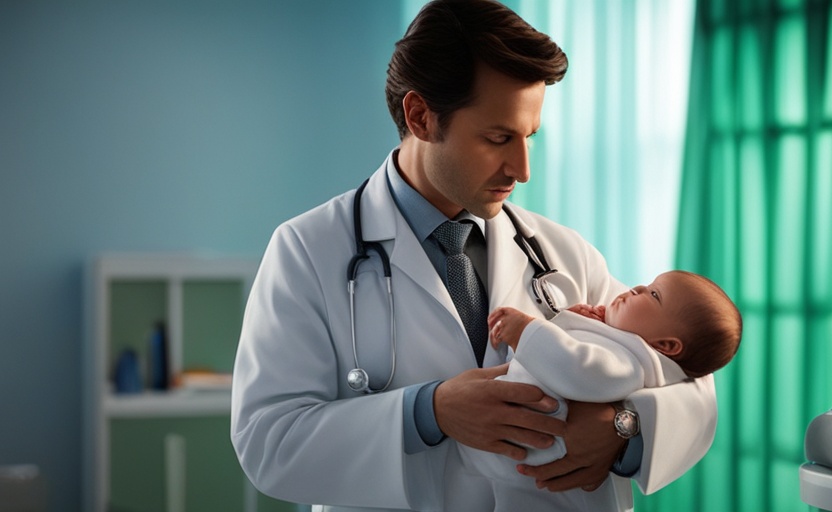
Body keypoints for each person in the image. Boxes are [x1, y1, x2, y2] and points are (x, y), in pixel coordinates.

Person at [230, 1, 718, 511]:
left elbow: (689, 362)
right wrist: (429, 412)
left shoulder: (562, 253)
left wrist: (625, 427)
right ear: (420, 116)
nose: (523, 168)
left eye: (530, 137)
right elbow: (269, 441)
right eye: (498, 137)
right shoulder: (308, 250)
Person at [460, 270, 742, 511]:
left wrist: (527, 331)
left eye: (654, 294)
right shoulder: (630, 342)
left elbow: (579, 368)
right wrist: (569, 321)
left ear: (666, 347)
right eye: (648, 284)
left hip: (542, 465)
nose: (637, 288)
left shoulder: (633, 361)